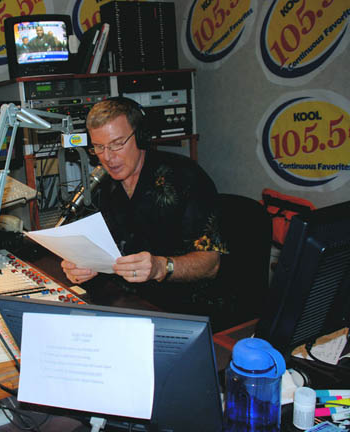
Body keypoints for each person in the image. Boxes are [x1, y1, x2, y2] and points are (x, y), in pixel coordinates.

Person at [60, 97, 228, 320]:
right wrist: (79, 265)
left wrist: (161, 267)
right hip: (123, 302)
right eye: (99, 147)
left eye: (117, 143)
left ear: (140, 137)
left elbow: (211, 264)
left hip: (182, 308)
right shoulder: (101, 185)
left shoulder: (185, 177)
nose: (107, 157)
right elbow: (90, 247)